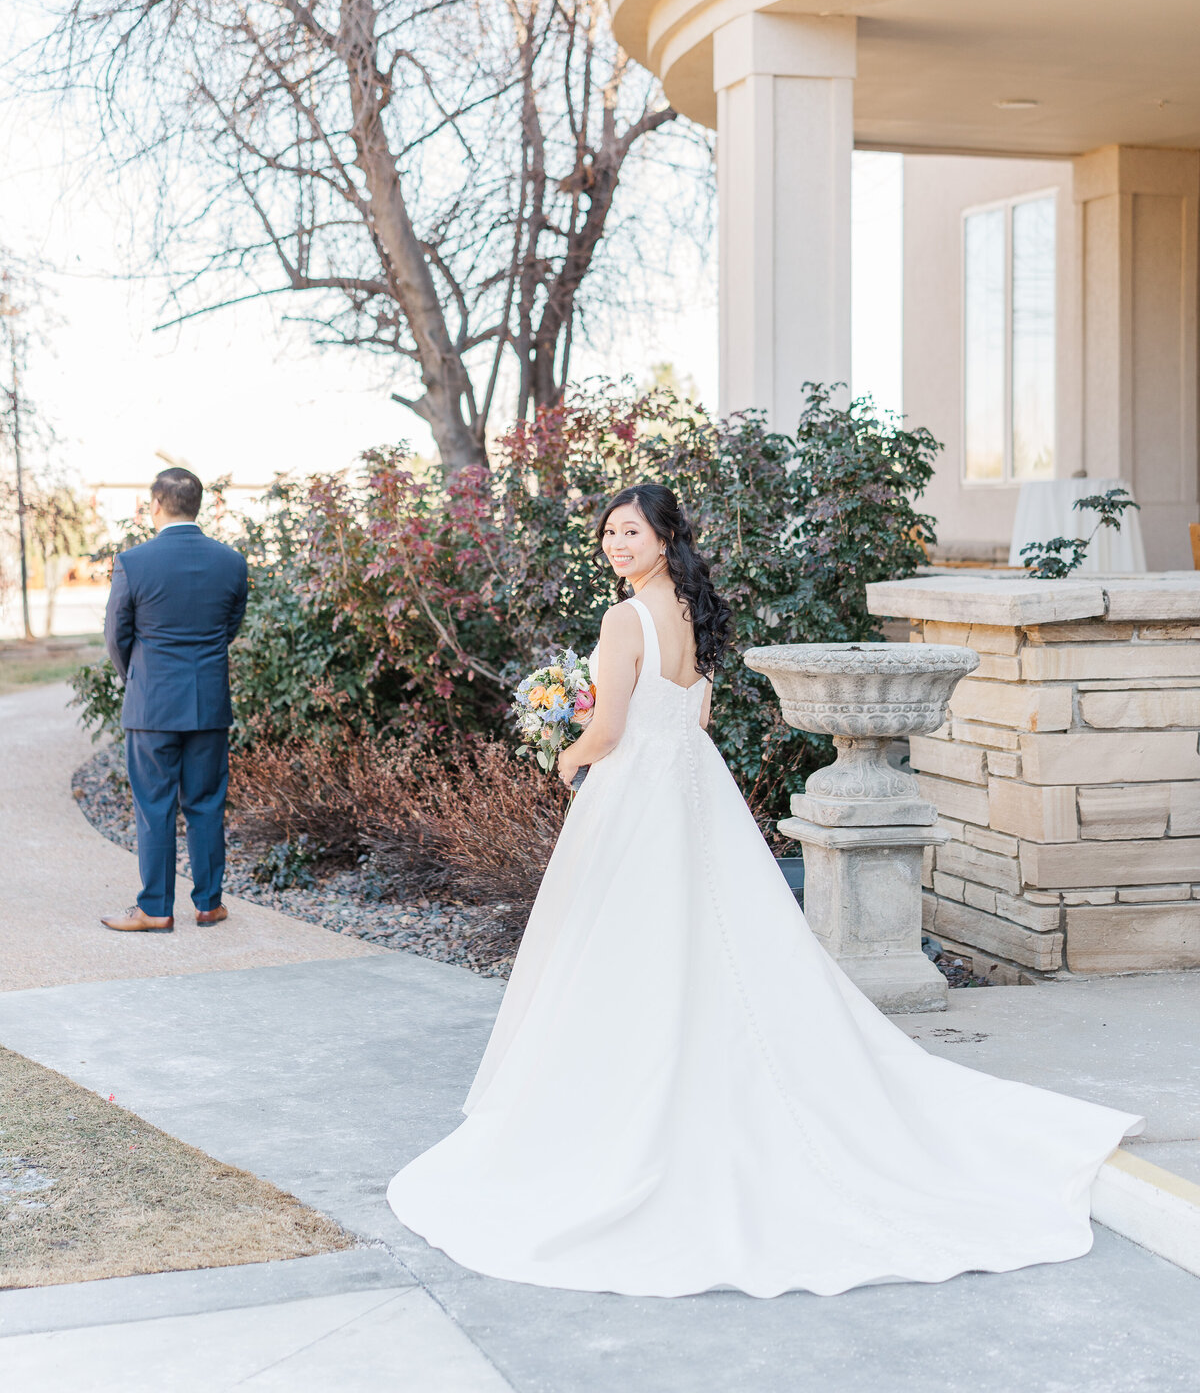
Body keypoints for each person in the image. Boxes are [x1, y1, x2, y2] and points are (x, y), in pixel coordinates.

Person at [387, 482, 1141, 1299]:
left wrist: (567, 754)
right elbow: (695, 717)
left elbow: (606, 731)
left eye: (630, 531)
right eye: (608, 532)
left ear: (666, 536)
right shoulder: (690, 615)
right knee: (716, 934)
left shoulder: (622, 619)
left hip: (638, 791)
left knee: (631, 945)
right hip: (688, 787)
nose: (615, 543)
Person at [101, 467, 248, 934]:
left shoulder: (133, 561)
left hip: (151, 707)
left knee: (154, 805)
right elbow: (230, 627)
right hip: (208, 703)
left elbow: (115, 635)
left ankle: (156, 908)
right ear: (197, 506)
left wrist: (137, 678)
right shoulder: (231, 561)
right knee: (206, 803)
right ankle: (208, 904)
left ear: (155, 506)